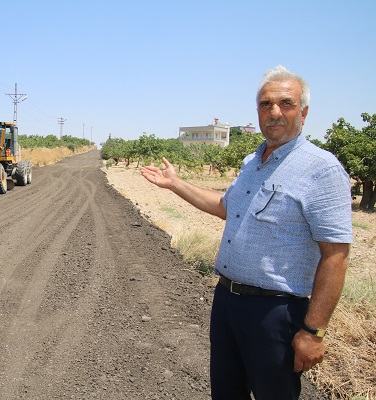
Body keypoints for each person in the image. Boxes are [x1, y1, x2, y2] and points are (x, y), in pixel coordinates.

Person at [141, 65, 353, 400]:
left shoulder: (321, 169)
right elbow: (227, 207)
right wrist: (175, 184)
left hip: (275, 313)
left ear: (304, 112)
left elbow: (336, 256)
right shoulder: (250, 162)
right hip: (226, 301)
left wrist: (313, 331)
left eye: (286, 103)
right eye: (265, 104)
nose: (274, 112)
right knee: (226, 393)